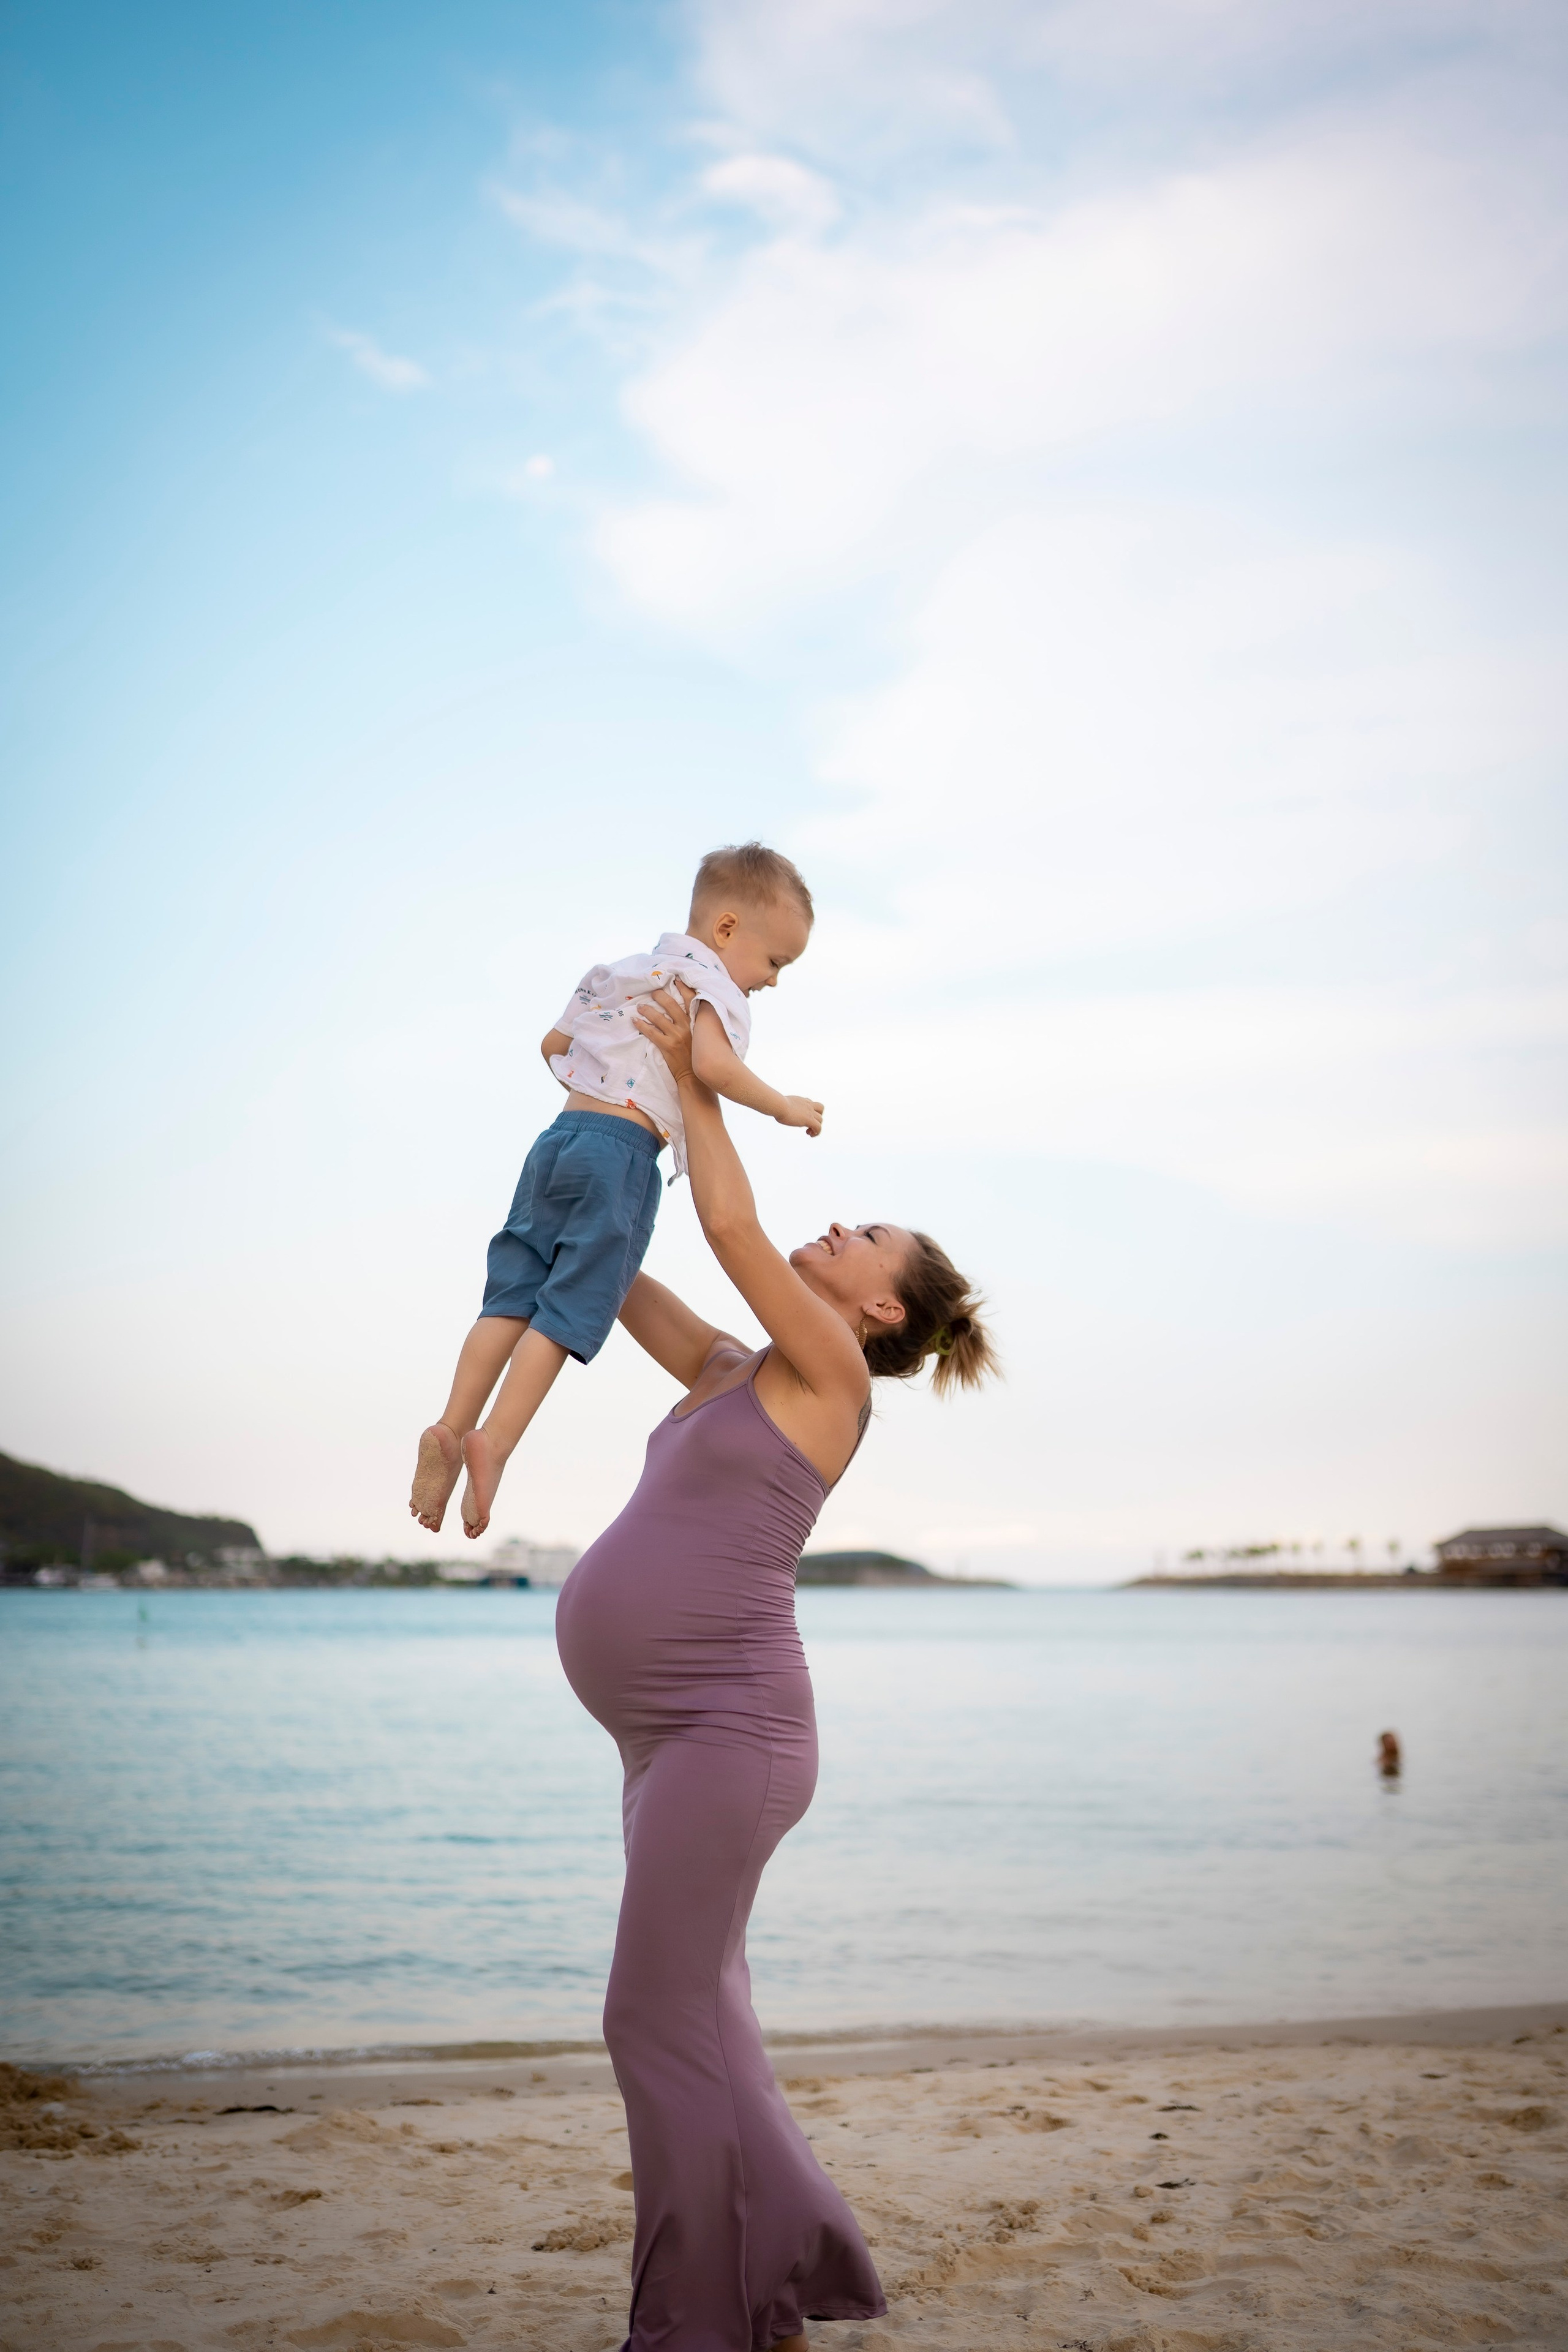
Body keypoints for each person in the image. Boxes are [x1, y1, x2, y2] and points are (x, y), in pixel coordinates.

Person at [554, 980, 997, 2352]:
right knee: (705, 2017)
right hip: (663, 1742)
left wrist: (698, 1081)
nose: (834, 1225)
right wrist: (594, 1134)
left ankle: (690, 2325)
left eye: (861, 1234)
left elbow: (733, 1223)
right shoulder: (743, 1367)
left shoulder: (831, 1378)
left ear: (876, 1307)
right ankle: (778, 2284)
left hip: (726, 1734)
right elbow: (637, 1284)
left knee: (649, 2017)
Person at [408, 844, 826, 1540]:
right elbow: (712, 1066)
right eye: (776, 962)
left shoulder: (620, 971)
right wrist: (782, 1105)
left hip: (556, 1142)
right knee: (567, 1308)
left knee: (511, 1294)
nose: (773, 982)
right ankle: (496, 1443)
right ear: (726, 932)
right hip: (624, 1154)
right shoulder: (712, 990)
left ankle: (452, 1424)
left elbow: (551, 1044)